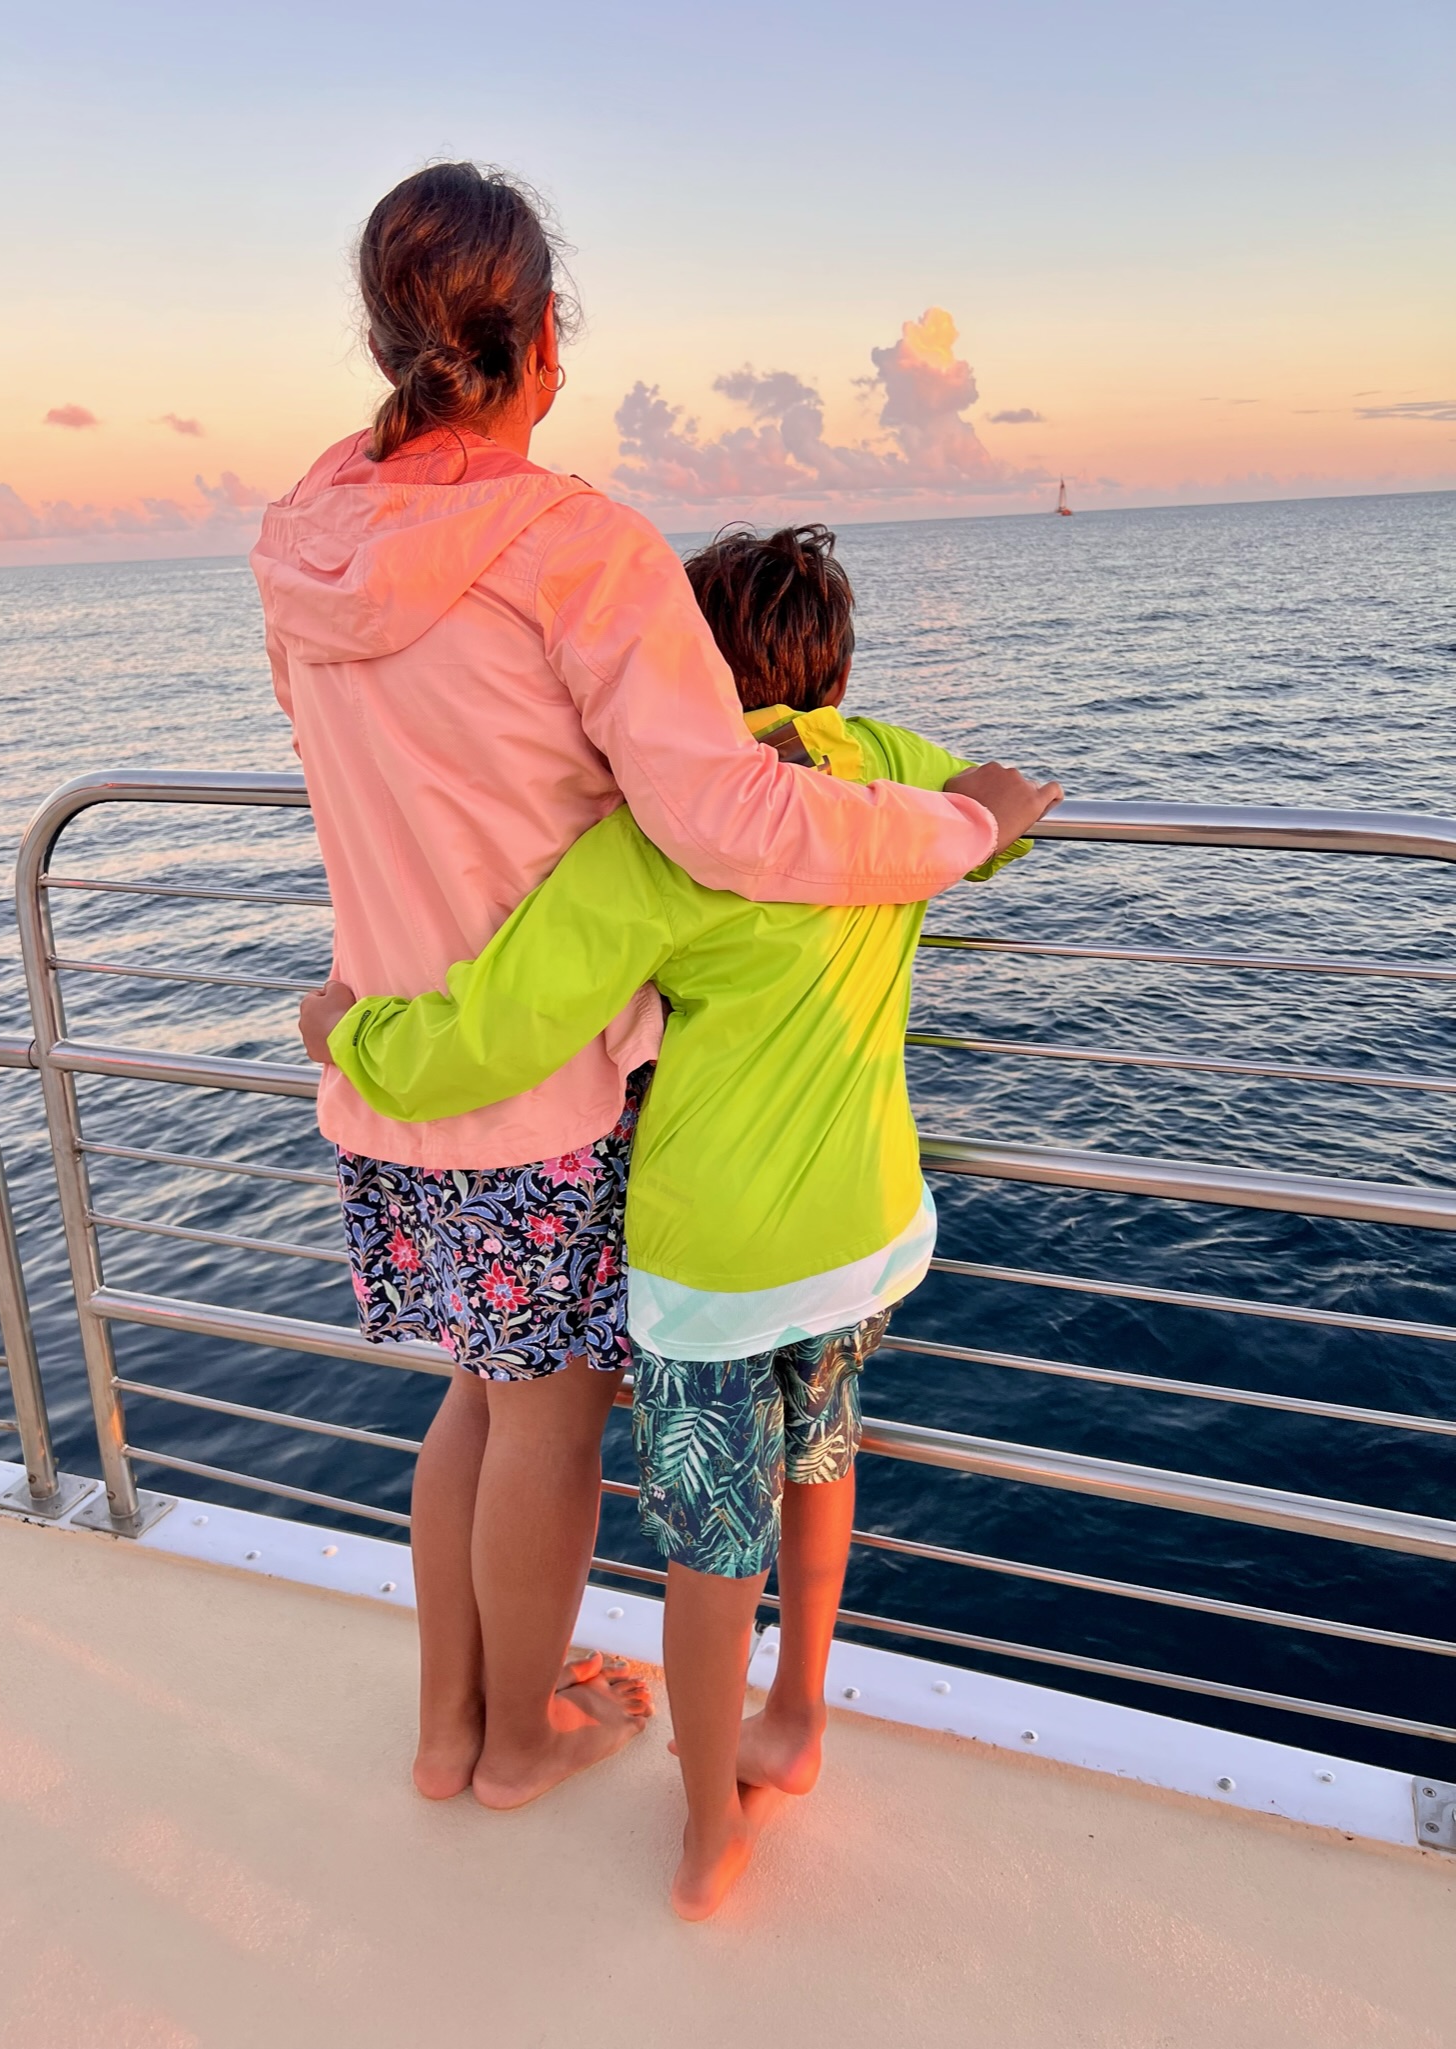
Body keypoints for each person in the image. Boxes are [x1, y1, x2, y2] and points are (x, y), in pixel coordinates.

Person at [260, 161, 1038, 1816]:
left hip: (390, 1049)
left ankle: (448, 1725)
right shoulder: (574, 547)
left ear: (391, 337)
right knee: (547, 1416)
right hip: (537, 1081)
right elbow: (725, 813)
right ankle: (519, 1740)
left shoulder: (303, 539)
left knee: (475, 1395)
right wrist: (957, 825)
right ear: (545, 334)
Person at [300, 523, 1061, 1916]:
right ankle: (800, 1720)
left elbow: (501, 1028)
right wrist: (1002, 817)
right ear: (835, 665)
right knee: (824, 1465)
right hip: (868, 1227)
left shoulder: (665, 835)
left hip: (719, 1265)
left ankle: (710, 1836)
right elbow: (987, 801)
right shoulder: (881, 768)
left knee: (715, 1546)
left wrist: (353, 1039)